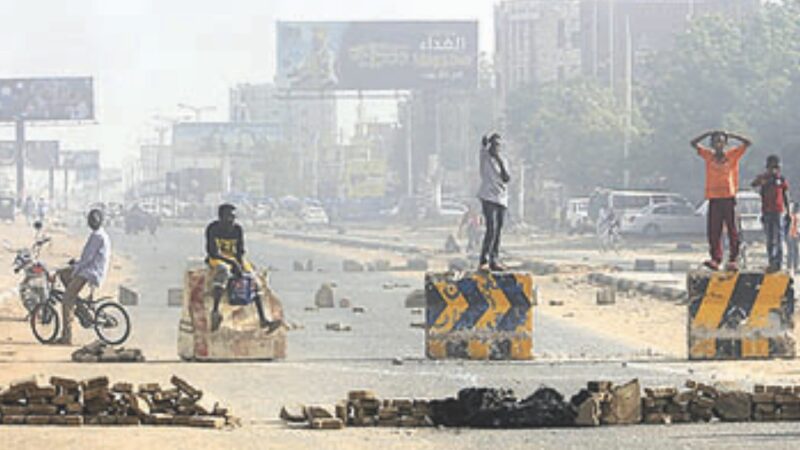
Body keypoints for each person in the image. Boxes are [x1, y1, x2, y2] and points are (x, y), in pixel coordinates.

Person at [205, 203, 280, 332]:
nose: (231, 220)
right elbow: (212, 252)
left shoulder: (237, 229)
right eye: (228, 217)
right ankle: (215, 312)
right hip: (217, 258)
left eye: (233, 217)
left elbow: (240, 251)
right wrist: (232, 263)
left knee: (253, 279)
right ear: (220, 217)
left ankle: (263, 319)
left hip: (234, 259)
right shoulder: (213, 228)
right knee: (223, 271)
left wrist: (239, 265)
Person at [691, 130, 751, 271]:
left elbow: (748, 143)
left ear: (725, 143)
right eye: (716, 141)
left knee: (732, 229)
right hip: (714, 198)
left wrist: (732, 134)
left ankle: (733, 259)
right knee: (714, 230)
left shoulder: (732, 155)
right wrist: (707, 134)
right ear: (712, 144)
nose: (719, 144)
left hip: (728, 197)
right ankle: (716, 259)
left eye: (722, 141)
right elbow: (693, 143)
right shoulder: (708, 156)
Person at [55, 209, 111, 345]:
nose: (92, 222)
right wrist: (75, 264)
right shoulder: (101, 234)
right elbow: (86, 258)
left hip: (90, 272)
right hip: (90, 268)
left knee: (66, 299)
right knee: (63, 273)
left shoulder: (97, 236)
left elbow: (87, 258)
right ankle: (79, 306)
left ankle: (67, 336)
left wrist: (76, 268)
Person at [477, 133, 511, 271]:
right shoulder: (485, 158)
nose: (496, 148)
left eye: (498, 145)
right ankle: (483, 260)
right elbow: (482, 148)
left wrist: (500, 161)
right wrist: (484, 145)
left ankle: (494, 259)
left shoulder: (504, 161)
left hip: (501, 198)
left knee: (498, 230)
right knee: (491, 227)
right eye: (494, 145)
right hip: (487, 196)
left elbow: (506, 178)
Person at [751, 155, 791, 272]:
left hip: (778, 212)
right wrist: (763, 180)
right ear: (767, 167)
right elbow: (753, 184)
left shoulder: (781, 180)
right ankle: (771, 261)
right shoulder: (764, 178)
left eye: (776, 167)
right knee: (769, 239)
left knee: (779, 238)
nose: (773, 170)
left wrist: (788, 211)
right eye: (771, 167)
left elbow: (785, 195)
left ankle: (778, 263)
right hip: (767, 212)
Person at [786, 203, 799, 275]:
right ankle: (789, 267)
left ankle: (795, 267)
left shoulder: (797, 217)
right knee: (790, 252)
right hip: (790, 236)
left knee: (795, 252)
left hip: (795, 236)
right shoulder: (790, 217)